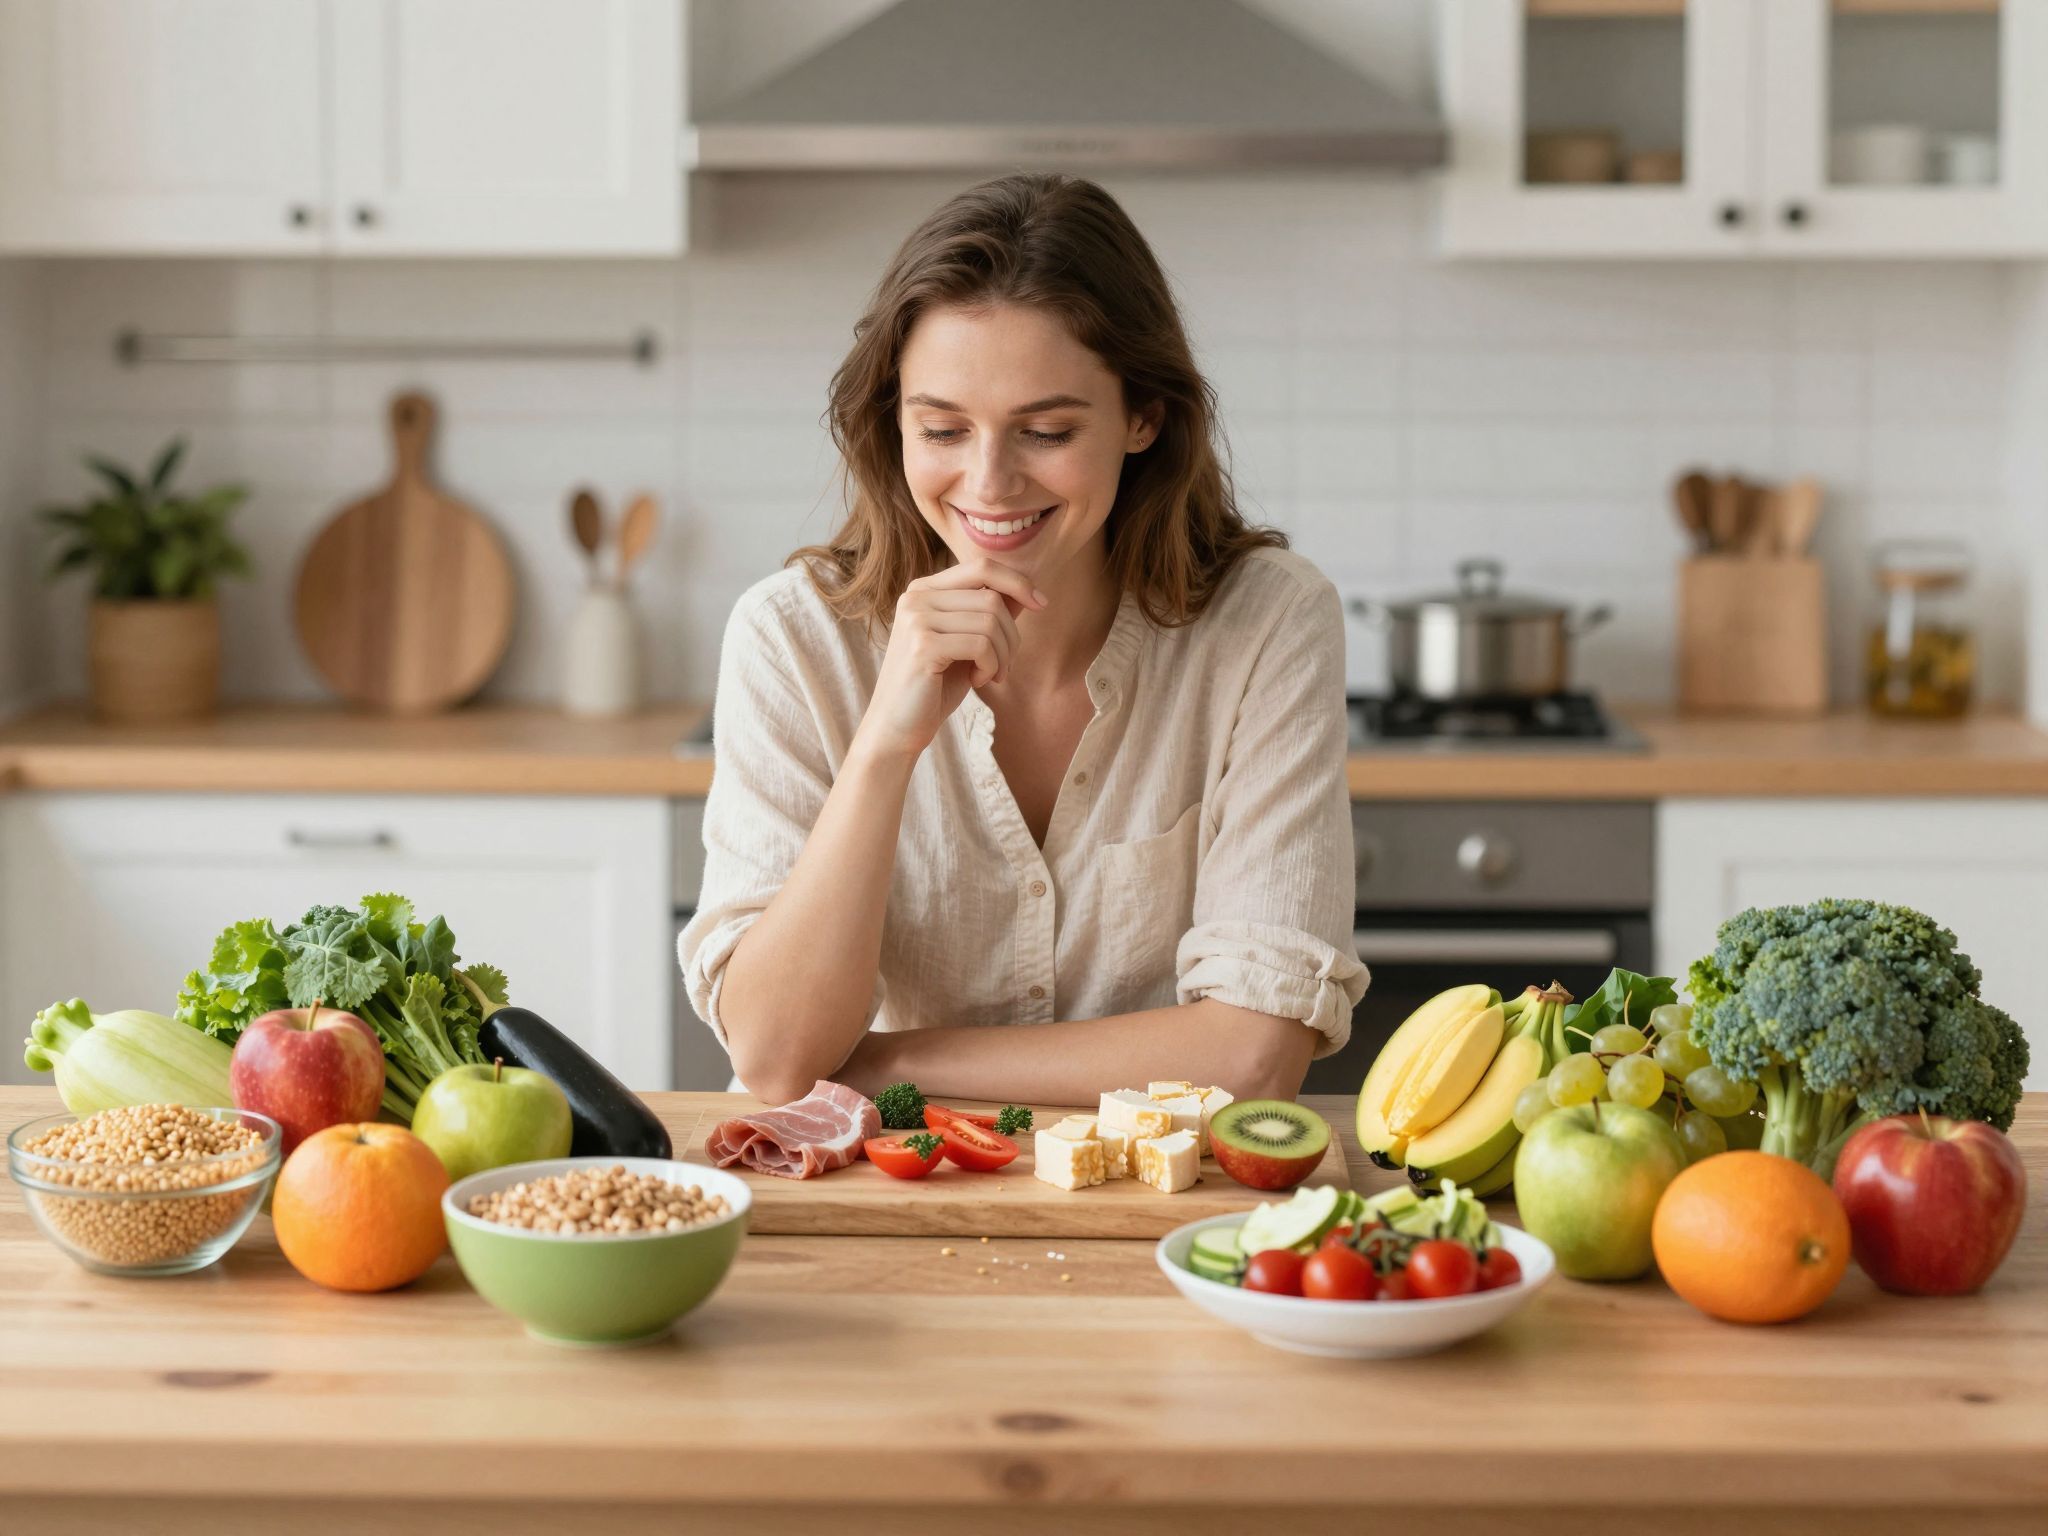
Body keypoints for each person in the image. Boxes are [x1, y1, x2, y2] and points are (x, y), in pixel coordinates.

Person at [680, 172, 1366, 1108]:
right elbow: (772, 1051)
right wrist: (886, 742)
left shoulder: (1267, 624)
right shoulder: (791, 639)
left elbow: (1254, 1055)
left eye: (1045, 430)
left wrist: (878, 1064)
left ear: (1143, 417)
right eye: (942, 428)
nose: (990, 482)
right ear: (894, 423)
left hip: (1152, 1218)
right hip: (874, 1205)